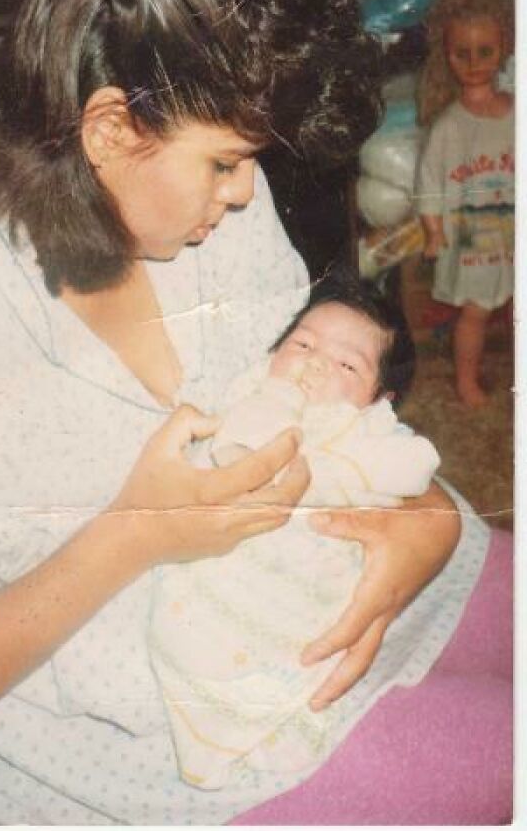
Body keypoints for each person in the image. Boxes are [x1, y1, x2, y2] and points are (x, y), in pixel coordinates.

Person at [0, 0, 510, 825]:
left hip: (321, 559)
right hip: (178, 722)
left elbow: (307, 401)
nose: (243, 194)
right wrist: (139, 527)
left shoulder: (201, 213)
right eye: (226, 162)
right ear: (110, 129)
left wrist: (428, 516)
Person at [150, 275, 441, 791]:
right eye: (302, 344)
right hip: (223, 572)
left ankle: (275, 721)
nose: (315, 363)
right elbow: (236, 455)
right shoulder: (252, 392)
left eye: (347, 365)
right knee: (190, 632)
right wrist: (274, 404)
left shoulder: (363, 427)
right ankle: (216, 732)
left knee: (307, 652)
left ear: (379, 397)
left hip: (307, 576)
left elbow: (415, 465)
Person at [416, 0, 514, 408]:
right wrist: (434, 231)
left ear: (504, 48)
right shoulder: (449, 128)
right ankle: (467, 380)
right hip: (475, 240)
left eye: (485, 52)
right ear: (447, 55)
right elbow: (429, 185)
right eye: (462, 54)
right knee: (475, 311)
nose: (474, 64)